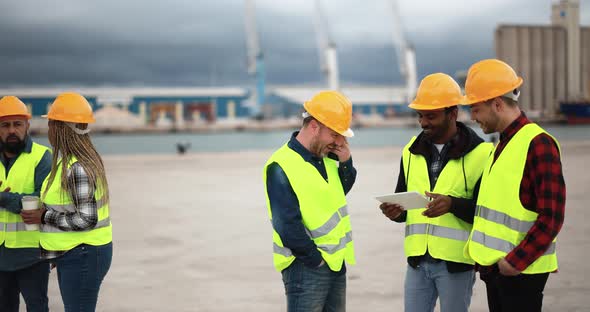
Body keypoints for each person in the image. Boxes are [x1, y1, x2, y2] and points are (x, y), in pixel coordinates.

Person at [379, 73, 493, 312]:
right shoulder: (410, 151)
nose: (423, 123)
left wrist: (452, 204)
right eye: (420, 116)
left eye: (431, 116)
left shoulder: (483, 154)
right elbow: (403, 204)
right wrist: (395, 212)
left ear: (453, 113)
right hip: (417, 262)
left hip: (456, 264)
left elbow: (488, 214)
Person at [461, 59, 566, 312]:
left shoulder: (538, 143)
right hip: (498, 270)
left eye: (475, 109)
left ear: (497, 104)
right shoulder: (500, 146)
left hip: (520, 272)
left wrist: (515, 263)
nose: (472, 117)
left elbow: (552, 216)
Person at [263, 90, 357, 312]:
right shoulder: (281, 165)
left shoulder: (327, 156)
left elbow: (339, 190)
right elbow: (286, 224)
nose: (339, 141)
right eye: (335, 134)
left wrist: (346, 162)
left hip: (335, 263)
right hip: (306, 267)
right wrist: (315, 260)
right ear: (315, 126)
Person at [21, 92, 113, 312]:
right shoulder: (72, 162)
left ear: (61, 128)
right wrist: (56, 251)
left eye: (51, 123)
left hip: (83, 253)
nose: (49, 129)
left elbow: (87, 219)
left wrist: (44, 216)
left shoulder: (77, 168)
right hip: (76, 252)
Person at [0, 96, 52, 312]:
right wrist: (20, 199)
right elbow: (29, 200)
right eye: (5, 125)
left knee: (37, 307)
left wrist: (3, 198)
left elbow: (43, 200)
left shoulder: (42, 157)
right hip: (0, 255)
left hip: (32, 255)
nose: (12, 130)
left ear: (27, 126)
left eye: (17, 124)